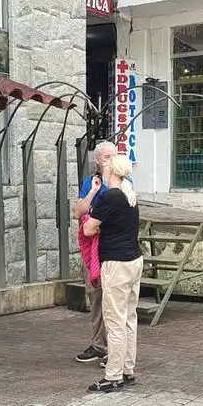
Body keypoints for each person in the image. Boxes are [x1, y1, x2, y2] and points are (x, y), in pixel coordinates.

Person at [82, 154, 143, 392]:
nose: (103, 170)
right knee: (129, 317)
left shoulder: (111, 196)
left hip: (116, 263)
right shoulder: (130, 195)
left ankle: (113, 375)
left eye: (106, 167)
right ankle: (127, 368)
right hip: (134, 259)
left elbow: (88, 228)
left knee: (114, 320)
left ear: (113, 171)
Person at [71, 141, 118, 365]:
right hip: (92, 250)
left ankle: (115, 349)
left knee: (112, 300)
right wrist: (92, 192)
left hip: (112, 249)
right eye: (108, 157)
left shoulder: (121, 183)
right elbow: (77, 212)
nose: (111, 160)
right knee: (95, 296)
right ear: (98, 160)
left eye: (114, 156)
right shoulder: (91, 182)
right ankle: (100, 344)